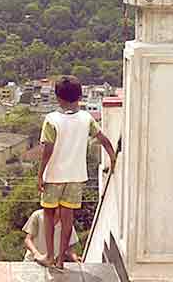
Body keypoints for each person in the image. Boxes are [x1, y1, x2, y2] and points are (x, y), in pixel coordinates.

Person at [38, 75, 116, 270]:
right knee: (67, 219)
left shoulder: (51, 120)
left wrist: (40, 175)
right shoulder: (86, 118)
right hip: (76, 177)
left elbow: (47, 150)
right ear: (80, 96)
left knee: (49, 215)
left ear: (57, 97)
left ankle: (49, 256)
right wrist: (113, 157)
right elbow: (103, 139)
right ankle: (61, 260)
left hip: (54, 176)